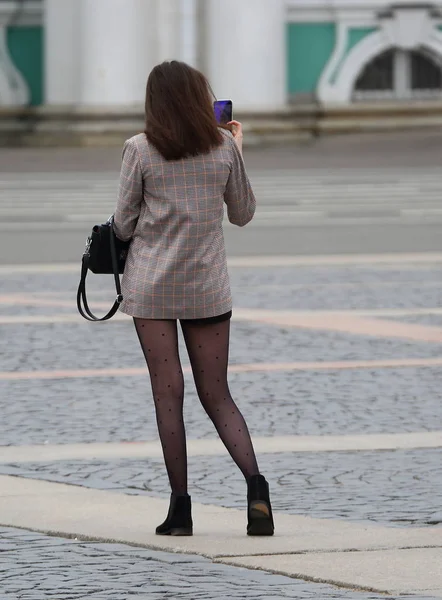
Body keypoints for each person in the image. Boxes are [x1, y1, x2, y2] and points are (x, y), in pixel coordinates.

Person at [113, 60, 274, 537]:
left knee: (169, 395)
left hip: (152, 288)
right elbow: (242, 214)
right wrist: (237, 150)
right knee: (217, 394)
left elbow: (123, 223)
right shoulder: (222, 145)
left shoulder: (138, 150)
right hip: (206, 287)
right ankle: (257, 490)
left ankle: (180, 510)